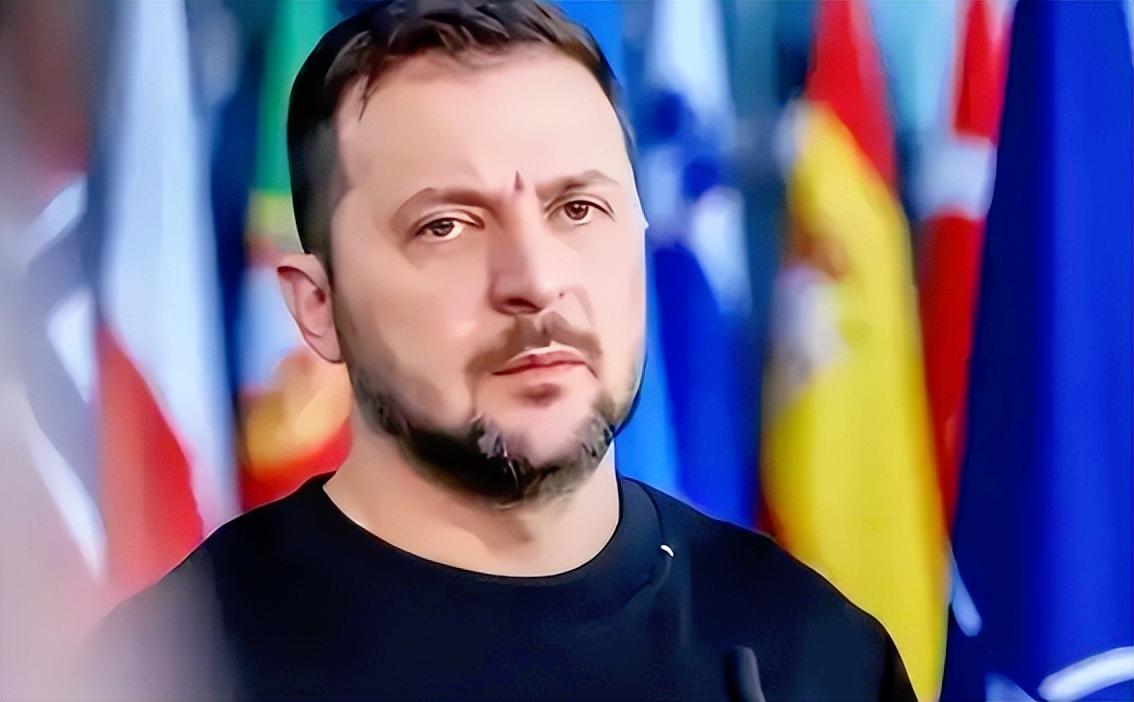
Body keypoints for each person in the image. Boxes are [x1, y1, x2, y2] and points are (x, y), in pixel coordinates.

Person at [79, 1, 916, 700]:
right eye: (446, 226)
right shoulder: (164, 671)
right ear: (317, 307)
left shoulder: (815, 656)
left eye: (578, 210)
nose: (536, 281)